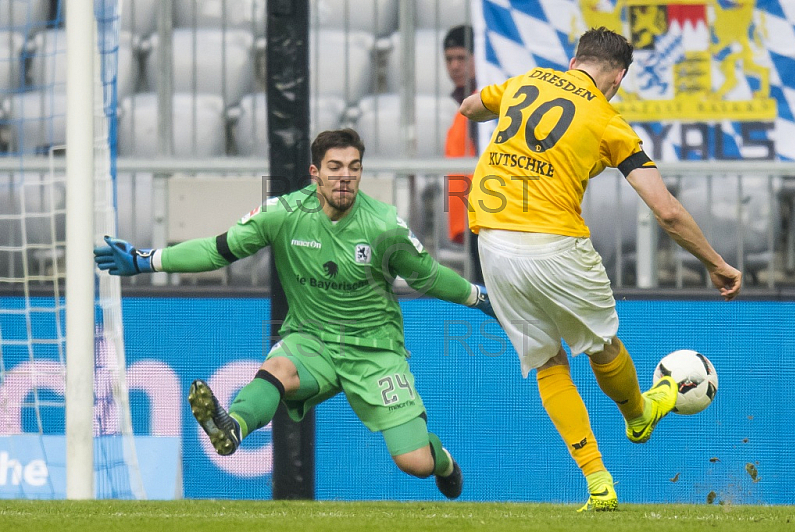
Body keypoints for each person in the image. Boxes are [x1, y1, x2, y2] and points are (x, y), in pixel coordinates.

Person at [94, 128, 496, 499]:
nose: (345, 177)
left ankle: (443, 462)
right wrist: (148, 260)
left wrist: (479, 297)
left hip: (374, 351)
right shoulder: (283, 214)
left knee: (414, 463)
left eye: (354, 168)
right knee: (279, 367)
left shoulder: (383, 225)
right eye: (335, 168)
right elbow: (218, 249)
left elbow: (428, 276)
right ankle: (232, 426)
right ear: (315, 173)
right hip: (312, 339)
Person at [459, 27, 742, 511]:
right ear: (619, 75)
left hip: (491, 240)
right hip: (554, 243)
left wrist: (504, 114)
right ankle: (640, 414)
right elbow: (667, 211)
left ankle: (597, 482)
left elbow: (468, 108)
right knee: (602, 347)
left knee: (548, 363)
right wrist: (716, 263)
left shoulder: (527, 82)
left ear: (574, 60)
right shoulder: (609, 120)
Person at [442, 24, 483, 284]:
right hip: (475, 215)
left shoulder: (486, 102)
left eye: (462, 58)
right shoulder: (466, 103)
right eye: (449, 59)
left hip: (488, 213)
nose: (454, 66)